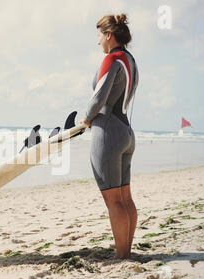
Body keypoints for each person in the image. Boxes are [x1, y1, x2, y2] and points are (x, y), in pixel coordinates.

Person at [79, 13, 139, 259]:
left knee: (113, 200)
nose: (98, 42)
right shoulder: (130, 60)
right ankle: (126, 250)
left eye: (99, 36)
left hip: (108, 134)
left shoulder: (111, 58)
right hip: (126, 131)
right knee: (125, 197)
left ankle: (121, 255)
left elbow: (99, 98)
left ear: (108, 35)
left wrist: (87, 118)